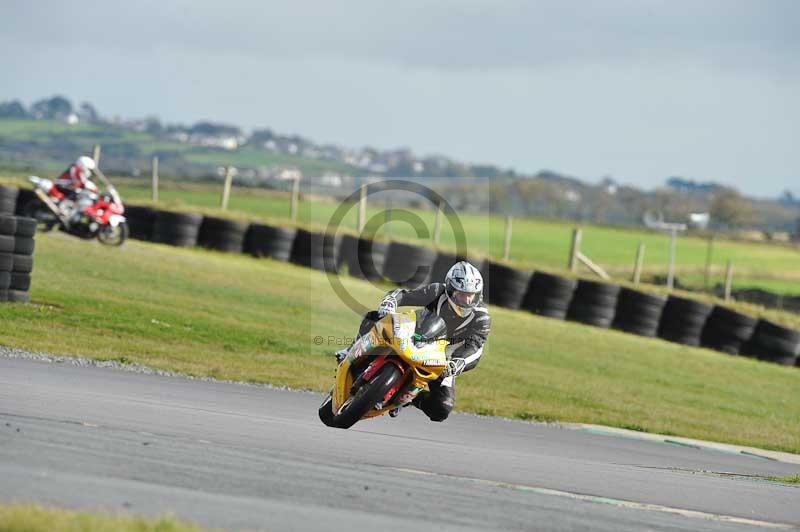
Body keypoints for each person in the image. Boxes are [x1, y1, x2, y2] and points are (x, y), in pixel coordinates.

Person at [336, 261, 491, 422]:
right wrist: (390, 302)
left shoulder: (481, 317)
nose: (468, 300)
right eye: (462, 294)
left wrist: (458, 363)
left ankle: (409, 398)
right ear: (451, 290)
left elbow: (476, 347)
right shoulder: (438, 291)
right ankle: (351, 349)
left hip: (444, 359)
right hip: (416, 333)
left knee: (442, 408)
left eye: (472, 295)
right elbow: (404, 295)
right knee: (376, 317)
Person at [54, 156, 99, 225]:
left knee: (78, 193)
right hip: (61, 185)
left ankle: (68, 210)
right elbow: (77, 181)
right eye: (89, 169)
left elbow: (81, 182)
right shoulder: (75, 168)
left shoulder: (78, 170)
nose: (89, 172)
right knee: (76, 192)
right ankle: (62, 207)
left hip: (65, 185)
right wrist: (86, 186)